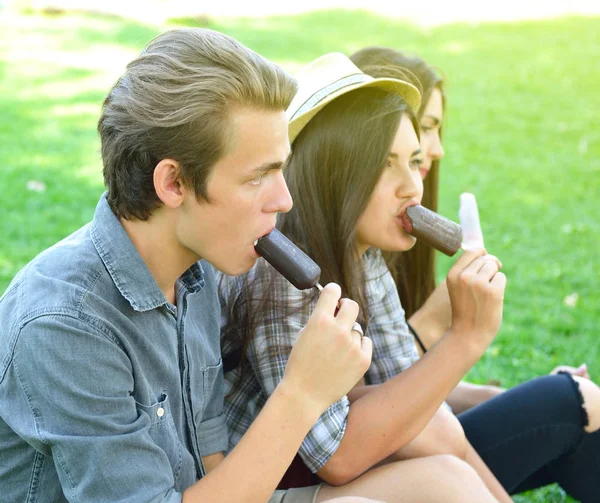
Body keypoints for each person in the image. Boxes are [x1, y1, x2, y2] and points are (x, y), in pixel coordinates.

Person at [0, 27, 385, 503]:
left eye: (280, 169)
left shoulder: (196, 276)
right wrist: (301, 395)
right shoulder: (63, 326)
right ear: (174, 183)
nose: (283, 199)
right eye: (256, 177)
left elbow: (209, 462)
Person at [220, 53, 509, 503]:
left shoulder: (366, 260)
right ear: (335, 174)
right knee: (446, 475)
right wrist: (466, 337)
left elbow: (410, 392)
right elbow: (335, 457)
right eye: (384, 165)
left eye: (413, 161)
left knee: (439, 432)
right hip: (265, 481)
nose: (413, 186)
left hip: (319, 464)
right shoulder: (284, 278)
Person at [349, 46, 600, 501]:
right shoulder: (336, 254)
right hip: (377, 458)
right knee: (570, 404)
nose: (435, 149)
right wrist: (442, 323)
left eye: (428, 135)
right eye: (426, 128)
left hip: (409, 436)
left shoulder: (380, 249)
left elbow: (405, 381)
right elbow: (366, 404)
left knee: (575, 402)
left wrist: (490, 394)